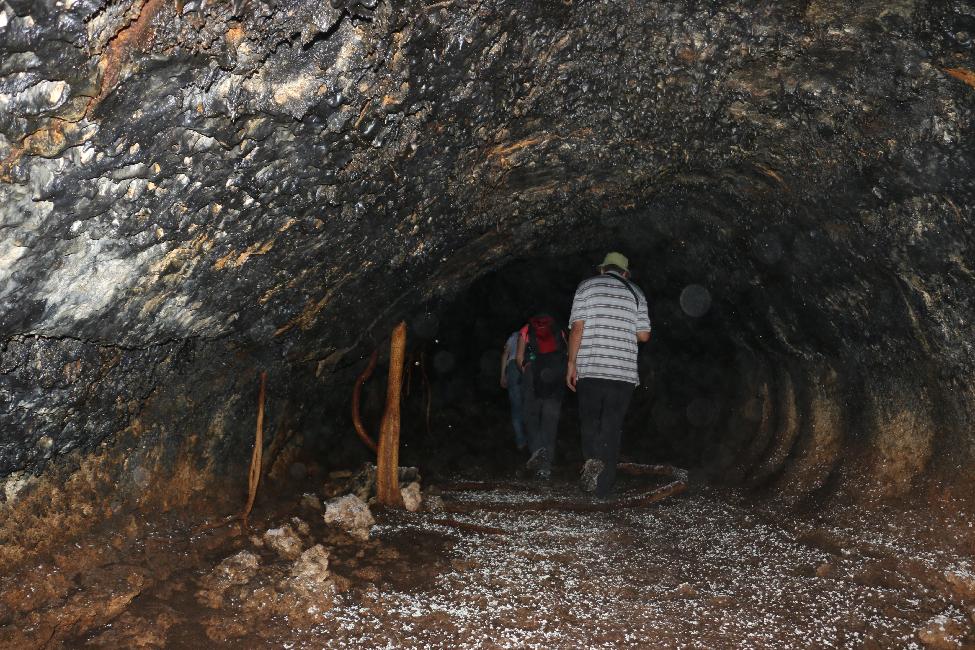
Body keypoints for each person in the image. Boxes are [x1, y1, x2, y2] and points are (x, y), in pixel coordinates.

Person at [566, 252, 651, 497]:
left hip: (591, 369)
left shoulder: (586, 287)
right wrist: (622, 329)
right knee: (612, 428)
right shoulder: (636, 292)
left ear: (603, 269)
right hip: (622, 372)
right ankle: (603, 488)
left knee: (590, 423)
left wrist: (571, 363)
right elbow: (644, 335)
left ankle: (592, 465)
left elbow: (577, 329)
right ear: (625, 273)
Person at [517, 313, 568, 480]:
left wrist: (527, 370)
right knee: (550, 422)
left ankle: (538, 452)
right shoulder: (558, 329)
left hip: (532, 376)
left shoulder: (526, 329)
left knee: (530, 417)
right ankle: (546, 468)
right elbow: (566, 354)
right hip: (554, 378)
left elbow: (519, 358)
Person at [500, 329, 528, 451]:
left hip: (513, 366)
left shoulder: (514, 335)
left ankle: (521, 440)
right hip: (527, 365)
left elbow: (505, 354)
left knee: (516, 407)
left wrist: (502, 375)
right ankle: (533, 437)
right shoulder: (532, 332)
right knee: (529, 403)